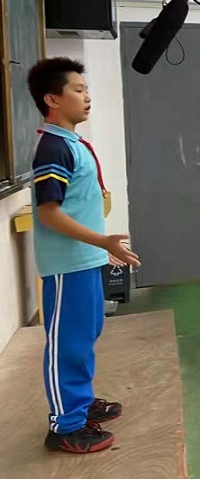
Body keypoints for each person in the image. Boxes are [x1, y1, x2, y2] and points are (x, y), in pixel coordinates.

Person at [27, 58, 141, 454]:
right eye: (77, 89)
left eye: (86, 89)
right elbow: (49, 212)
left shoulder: (71, 142)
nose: (87, 96)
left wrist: (100, 250)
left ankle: (78, 401)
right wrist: (103, 241)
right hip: (66, 266)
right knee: (68, 343)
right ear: (52, 98)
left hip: (85, 260)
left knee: (86, 335)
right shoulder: (53, 146)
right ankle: (65, 426)